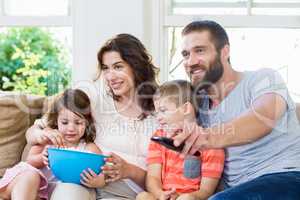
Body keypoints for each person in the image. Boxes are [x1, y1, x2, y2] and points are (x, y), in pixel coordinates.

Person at [167, 20, 300, 199]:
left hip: (284, 177)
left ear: (225, 51)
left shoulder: (263, 78)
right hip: (234, 190)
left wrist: (207, 137)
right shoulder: (198, 105)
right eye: (185, 54)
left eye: (200, 50)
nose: (190, 62)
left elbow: (263, 118)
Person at [26, 33, 159, 199]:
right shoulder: (93, 98)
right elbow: (34, 131)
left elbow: (161, 178)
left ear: (136, 66)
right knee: (68, 193)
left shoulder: (160, 112)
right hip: (83, 181)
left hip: (128, 191)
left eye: (118, 67)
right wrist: (42, 134)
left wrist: (129, 170)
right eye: (105, 68)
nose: (110, 76)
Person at [0, 89, 104, 200]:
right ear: (56, 121)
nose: (71, 128)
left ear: (87, 122)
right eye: (65, 122)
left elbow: (102, 172)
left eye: (78, 122)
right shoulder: (50, 137)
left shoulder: (89, 148)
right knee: (32, 176)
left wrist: (98, 182)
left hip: (45, 193)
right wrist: (43, 157)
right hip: (26, 183)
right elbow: (30, 161)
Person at [137, 80, 225, 200]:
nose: (158, 118)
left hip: (189, 198)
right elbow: (153, 177)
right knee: (142, 196)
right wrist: (160, 194)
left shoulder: (210, 145)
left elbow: (206, 191)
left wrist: (182, 197)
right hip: (162, 197)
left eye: (163, 110)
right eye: (157, 113)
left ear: (186, 109)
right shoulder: (159, 138)